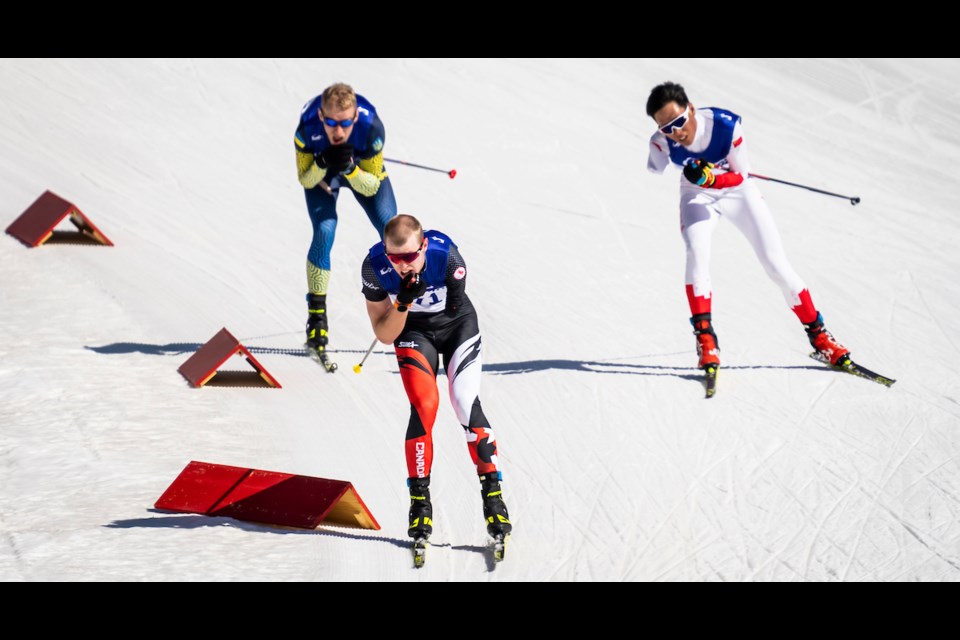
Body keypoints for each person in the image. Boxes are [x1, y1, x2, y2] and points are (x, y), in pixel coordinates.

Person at [645, 81, 851, 372]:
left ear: (690, 108)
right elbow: (655, 167)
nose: (676, 132)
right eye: (667, 128)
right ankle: (706, 340)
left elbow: (740, 176)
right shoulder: (660, 142)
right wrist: (695, 176)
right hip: (696, 193)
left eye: (679, 121)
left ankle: (820, 338)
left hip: (737, 191)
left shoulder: (725, 126)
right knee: (696, 253)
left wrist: (712, 178)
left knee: (775, 265)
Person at [360, 214, 511, 541]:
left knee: (463, 402)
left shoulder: (446, 256)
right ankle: (420, 503)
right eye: (395, 258)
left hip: (456, 326)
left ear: (424, 246)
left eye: (411, 257)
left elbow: (457, 300)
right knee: (425, 406)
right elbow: (385, 334)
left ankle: (493, 495)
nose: (403, 265)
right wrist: (402, 301)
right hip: (413, 331)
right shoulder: (374, 267)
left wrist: (438, 297)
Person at [294, 82, 397, 363]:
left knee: (393, 230)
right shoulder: (306, 128)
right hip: (322, 175)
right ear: (320, 117)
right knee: (324, 231)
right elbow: (306, 179)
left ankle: (415, 308)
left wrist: (350, 168)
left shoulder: (372, 128)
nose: (337, 131)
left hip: (361, 171)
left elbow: (371, 186)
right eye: (330, 123)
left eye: (344, 123)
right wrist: (324, 161)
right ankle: (317, 318)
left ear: (355, 117)